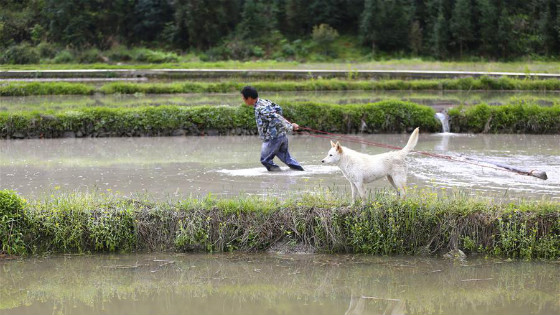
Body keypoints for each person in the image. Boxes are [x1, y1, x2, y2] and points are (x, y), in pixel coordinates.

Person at [241, 86, 304, 172]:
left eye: (244, 98)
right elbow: (278, 109)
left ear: (249, 98)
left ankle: (278, 175)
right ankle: (301, 172)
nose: (243, 100)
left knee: (265, 160)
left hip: (272, 138)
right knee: (287, 159)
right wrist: (289, 125)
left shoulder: (260, 108)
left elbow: (276, 117)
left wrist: (290, 127)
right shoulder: (264, 101)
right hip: (281, 136)